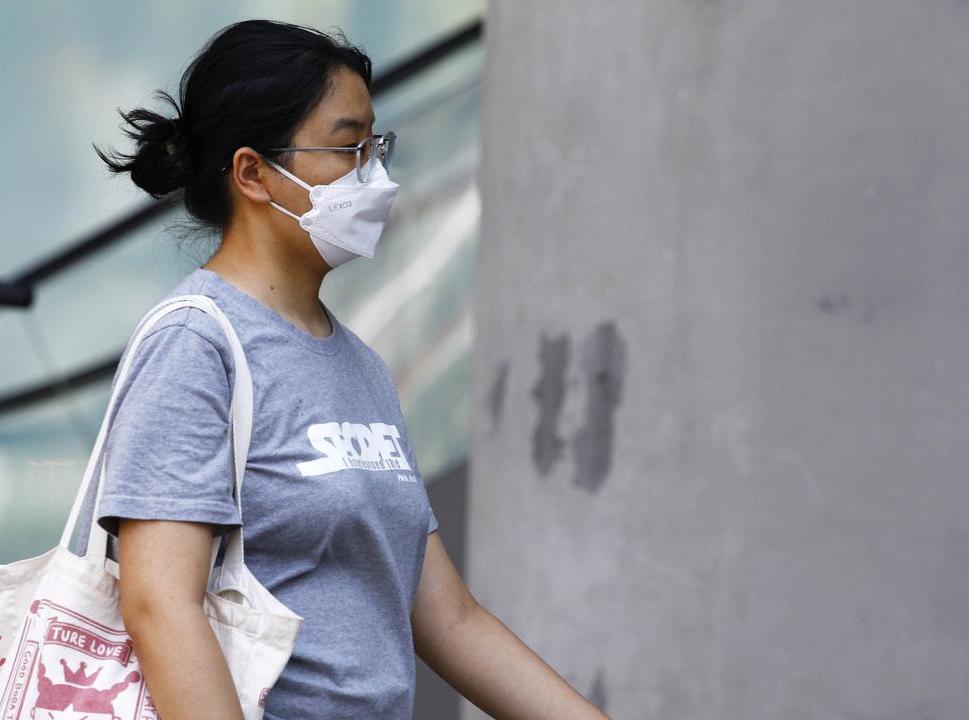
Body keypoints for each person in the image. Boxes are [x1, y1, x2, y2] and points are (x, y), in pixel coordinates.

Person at [88, 18, 610, 720]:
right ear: (253, 173)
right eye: (347, 148)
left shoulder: (359, 365)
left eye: (376, 146)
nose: (375, 175)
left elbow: (450, 621)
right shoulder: (198, 345)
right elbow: (158, 604)